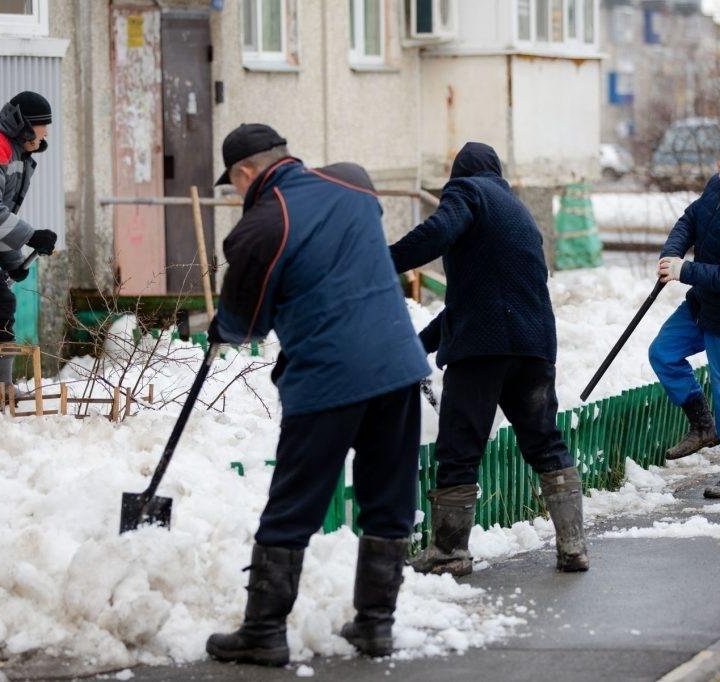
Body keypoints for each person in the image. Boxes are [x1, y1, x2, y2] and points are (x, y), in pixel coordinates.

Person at [204, 124, 430, 666]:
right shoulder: (355, 186)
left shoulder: (261, 227)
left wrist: (222, 325)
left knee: (295, 502)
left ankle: (263, 631)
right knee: (388, 496)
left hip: (330, 378)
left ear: (244, 174)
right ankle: (376, 625)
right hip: (398, 367)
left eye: (233, 186)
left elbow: (247, 326)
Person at [388, 142, 589, 577]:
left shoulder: (468, 193)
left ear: (460, 174)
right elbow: (476, 302)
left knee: (460, 448)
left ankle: (449, 552)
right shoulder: (517, 214)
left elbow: (437, 232)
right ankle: (573, 545)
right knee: (544, 441)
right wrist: (418, 344)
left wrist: (383, 261)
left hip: (483, 352)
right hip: (532, 349)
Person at [648, 174, 720, 496]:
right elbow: (689, 220)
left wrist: (685, 270)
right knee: (663, 352)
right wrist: (671, 254)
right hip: (701, 304)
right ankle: (703, 426)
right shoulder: (715, 188)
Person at [0, 91, 57, 387]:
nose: (44, 134)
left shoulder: (20, 156)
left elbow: (3, 215)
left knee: (2, 305)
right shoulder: (1, 149)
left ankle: (2, 388)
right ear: (23, 124)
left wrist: (12, 262)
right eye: (41, 127)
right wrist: (31, 235)